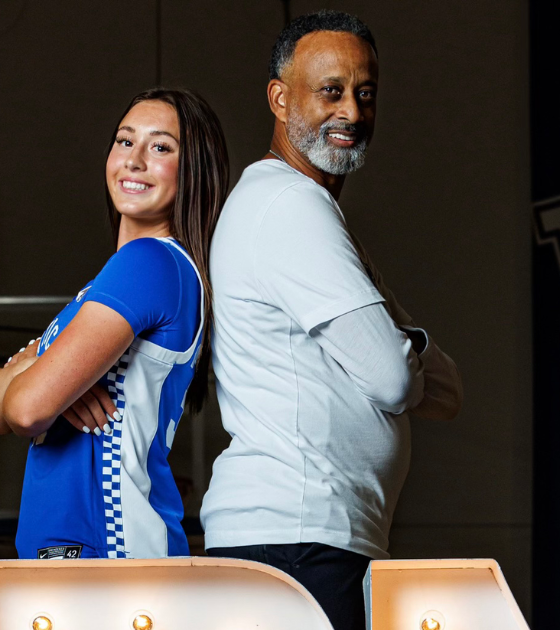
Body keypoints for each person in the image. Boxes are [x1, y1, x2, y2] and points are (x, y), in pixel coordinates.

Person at [200, 10, 463, 630]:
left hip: (307, 542)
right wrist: (401, 346)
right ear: (279, 98)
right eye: (330, 91)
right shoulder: (289, 204)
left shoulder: (306, 211)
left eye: (365, 93)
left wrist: (397, 346)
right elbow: (395, 381)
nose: (351, 111)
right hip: (294, 542)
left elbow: (447, 394)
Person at [0, 88, 228, 560]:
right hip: (74, 552)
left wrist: (39, 380)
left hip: (111, 548)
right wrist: (48, 380)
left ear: (195, 169)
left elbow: (25, 410)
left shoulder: (150, 262)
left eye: (161, 146)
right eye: (125, 141)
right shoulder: (102, 287)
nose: (135, 159)